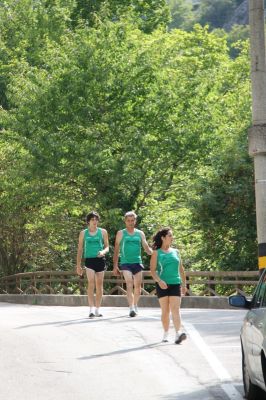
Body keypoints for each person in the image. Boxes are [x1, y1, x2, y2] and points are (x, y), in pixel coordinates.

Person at [150, 227, 187, 344]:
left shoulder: (176, 252)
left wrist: (184, 284)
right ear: (163, 238)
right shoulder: (156, 253)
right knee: (165, 311)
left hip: (175, 283)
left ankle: (178, 333)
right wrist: (159, 281)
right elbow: (152, 270)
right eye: (170, 235)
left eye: (172, 235)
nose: (172, 238)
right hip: (162, 285)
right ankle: (166, 333)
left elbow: (181, 269)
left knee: (175, 309)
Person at [113, 211, 153, 317]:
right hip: (125, 263)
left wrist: (155, 254)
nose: (130, 222)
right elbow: (116, 250)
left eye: (132, 220)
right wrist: (115, 265)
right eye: (128, 221)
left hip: (137, 262)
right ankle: (131, 308)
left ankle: (135, 304)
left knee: (138, 286)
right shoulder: (121, 233)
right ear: (125, 221)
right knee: (129, 283)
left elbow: (146, 247)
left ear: (135, 221)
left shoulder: (140, 233)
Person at [76, 211, 109, 318]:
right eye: (92, 220)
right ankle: (90, 309)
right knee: (91, 283)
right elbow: (80, 249)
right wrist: (78, 265)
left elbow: (107, 247)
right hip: (89, 260)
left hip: (100, 260)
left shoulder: (103, 232)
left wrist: (103, 252)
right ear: (88, 222)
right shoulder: (83, 233)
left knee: (99, 285)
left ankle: (97, 309)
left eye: (96, 220)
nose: (95, 222)